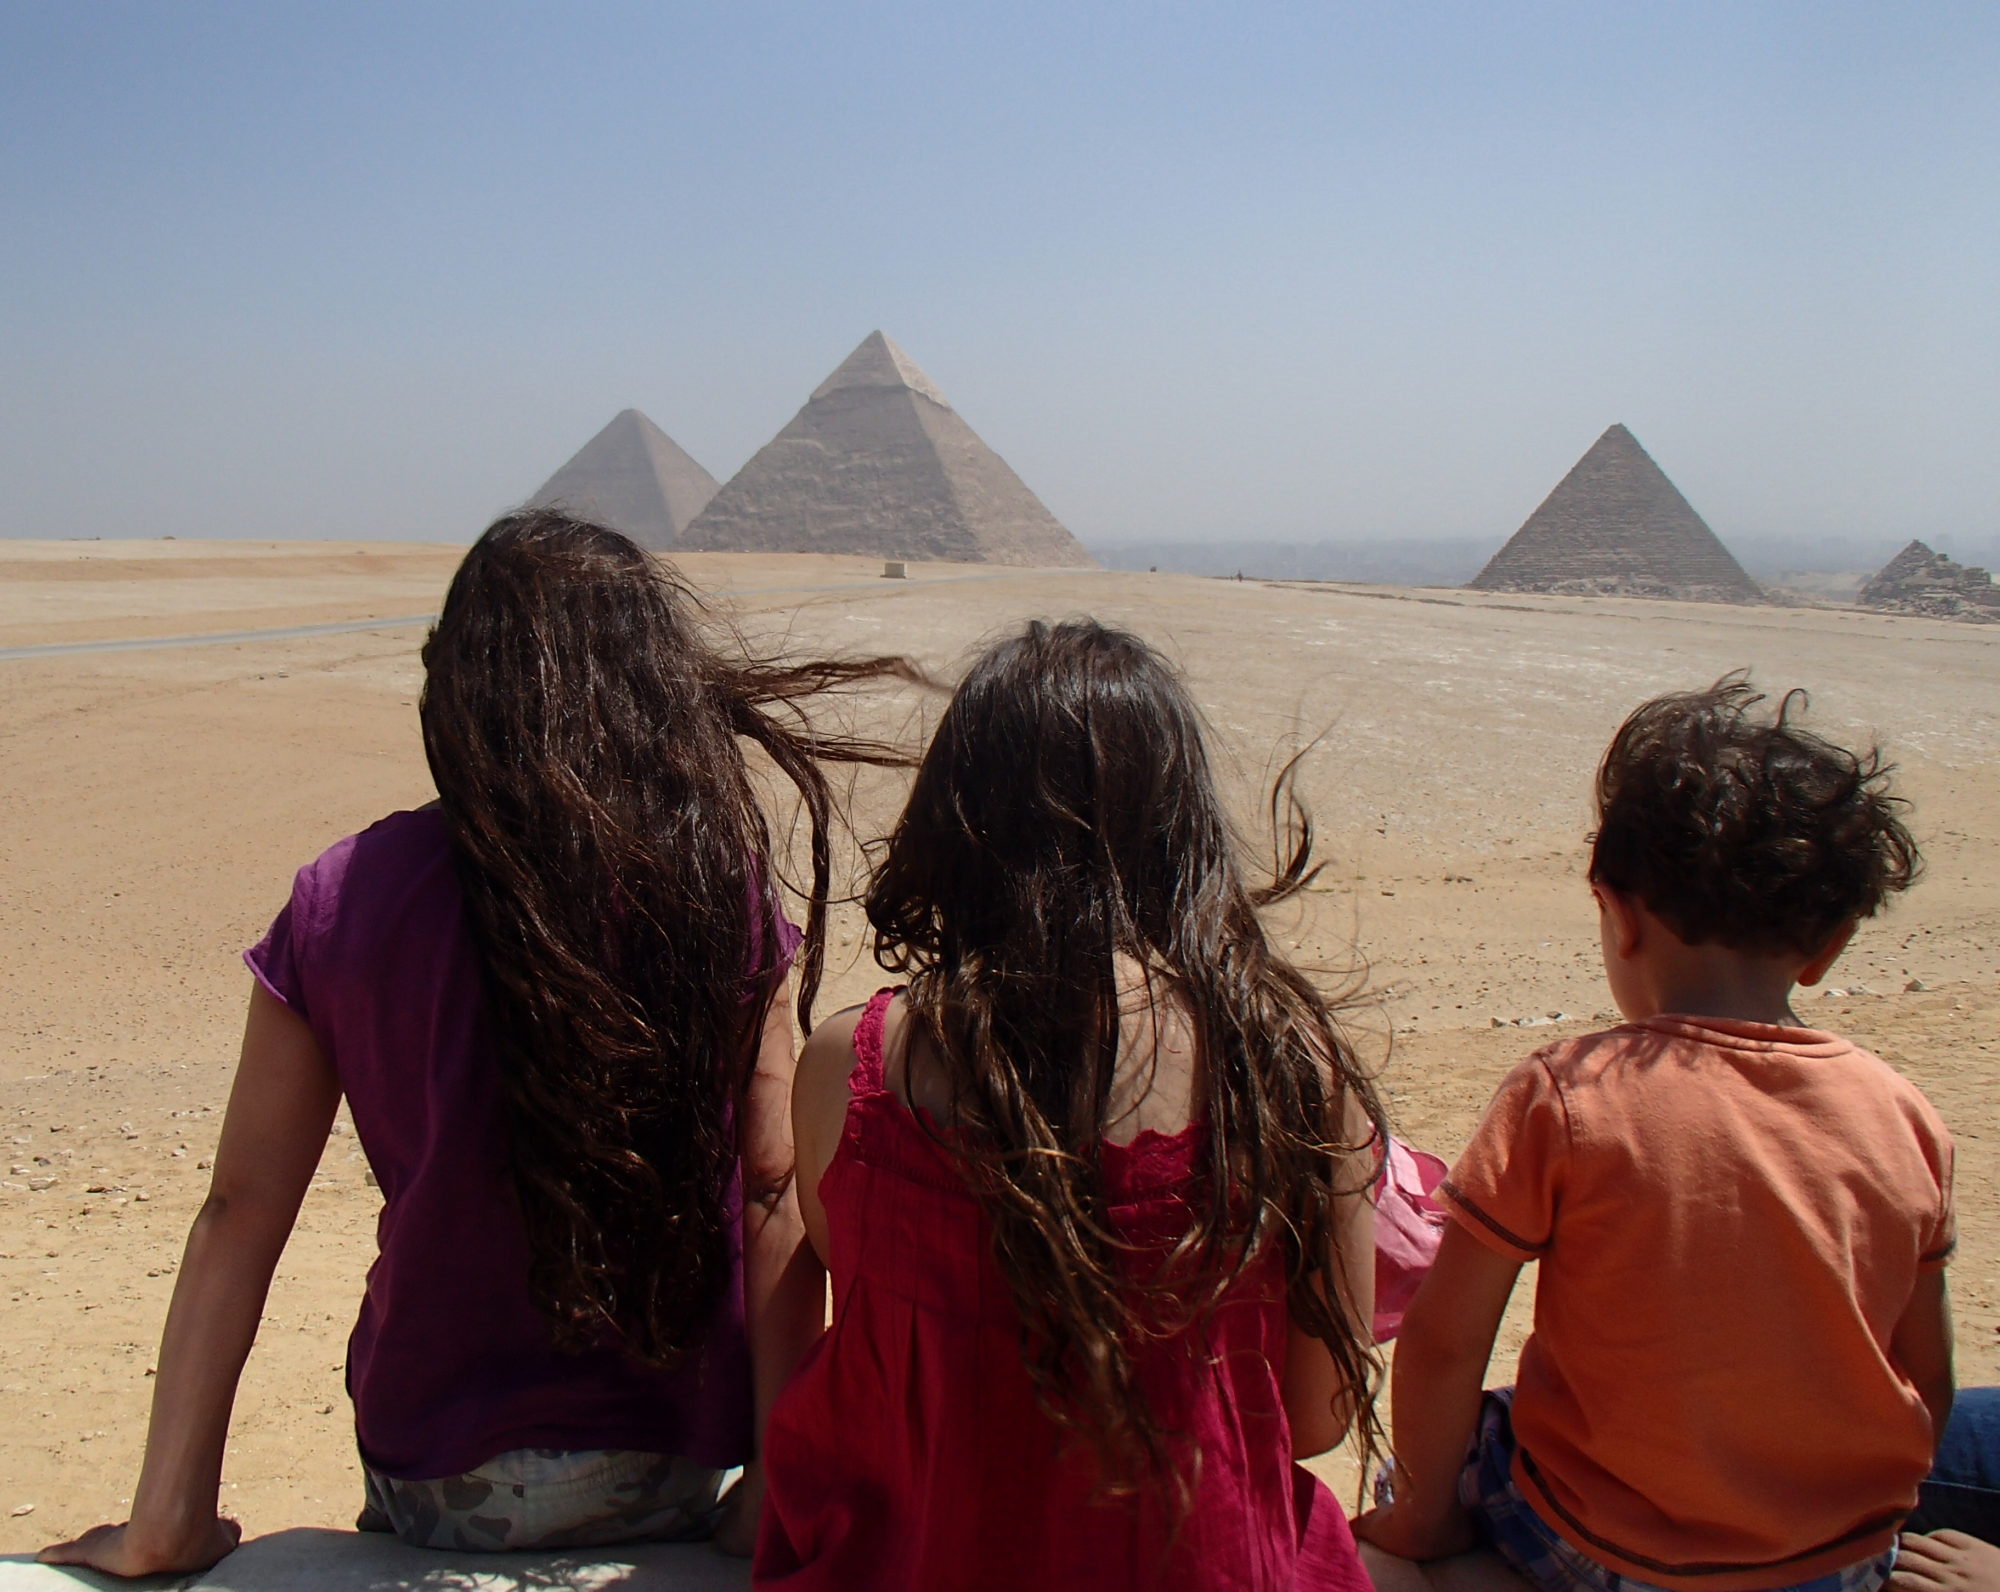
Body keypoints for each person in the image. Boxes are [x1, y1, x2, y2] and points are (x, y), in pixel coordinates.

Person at [41, 512, 913, 1575]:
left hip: (438, 1480)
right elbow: (774, 1190)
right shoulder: (710, 892)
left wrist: (167, 1517)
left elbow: (239, 1208)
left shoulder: (343, 898)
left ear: (455, 684)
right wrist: (774, 1490)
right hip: (676, 1462)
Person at [755, 619, 1386, 1591]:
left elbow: (859, 1277)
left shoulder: (854, 1063)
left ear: (953, 816)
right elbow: (1316, 1418)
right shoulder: (1293, 1072)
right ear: (1183, 827)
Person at [1357, 674, 1955, 1592]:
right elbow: (1926, 1373)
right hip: (1833, 1558)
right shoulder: (1903, 1113)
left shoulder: (1568, 1094)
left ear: (1618, 913)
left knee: (1436, 1469)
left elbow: (1443, 1340)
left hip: (1606, 1553)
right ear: (1831, 943)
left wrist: (1422, 1515)